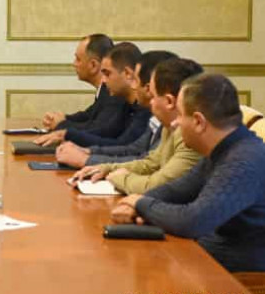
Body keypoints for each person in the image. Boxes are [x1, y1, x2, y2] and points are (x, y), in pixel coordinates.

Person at [110, 74, 265, 272]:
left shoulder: (243, 160)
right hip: (208, 258)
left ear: (199, 121)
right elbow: (178, 189)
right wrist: (136, 205)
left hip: (240, 277)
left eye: (181, 115)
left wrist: (142, 204)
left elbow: (194, 221)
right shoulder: (225, 149)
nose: (175, 124)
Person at [70, 58, 203, 194]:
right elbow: (151, 164)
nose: (151, 102)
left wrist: (120, 178)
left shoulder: (190, 134)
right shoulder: (170, 126)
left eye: (153, 96)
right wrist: (107, 168)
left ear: (169, 101)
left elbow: (159, 185)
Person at [56, 51, 177, 168]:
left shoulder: (167, 123)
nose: (134, 87)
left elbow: (147, 164)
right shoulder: (156, 119)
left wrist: (86, 159)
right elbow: (133, 149)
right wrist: (88, 151)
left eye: (136, 80)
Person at [36, 43, 151, 148]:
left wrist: (68, 134)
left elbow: (123, 146)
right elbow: (106, 132)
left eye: (107, 74)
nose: (103, 81)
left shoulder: (145, 108)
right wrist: (66, 133)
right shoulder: (127, 103)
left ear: (127, 74)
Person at [42, 34, 127, 136]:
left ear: (93, 65)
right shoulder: (103, 90)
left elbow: (98, 128)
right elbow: (88, 115)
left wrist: (61, 124)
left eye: (78, 59)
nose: (74, 64)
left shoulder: (113, 92)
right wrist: (64, 118)